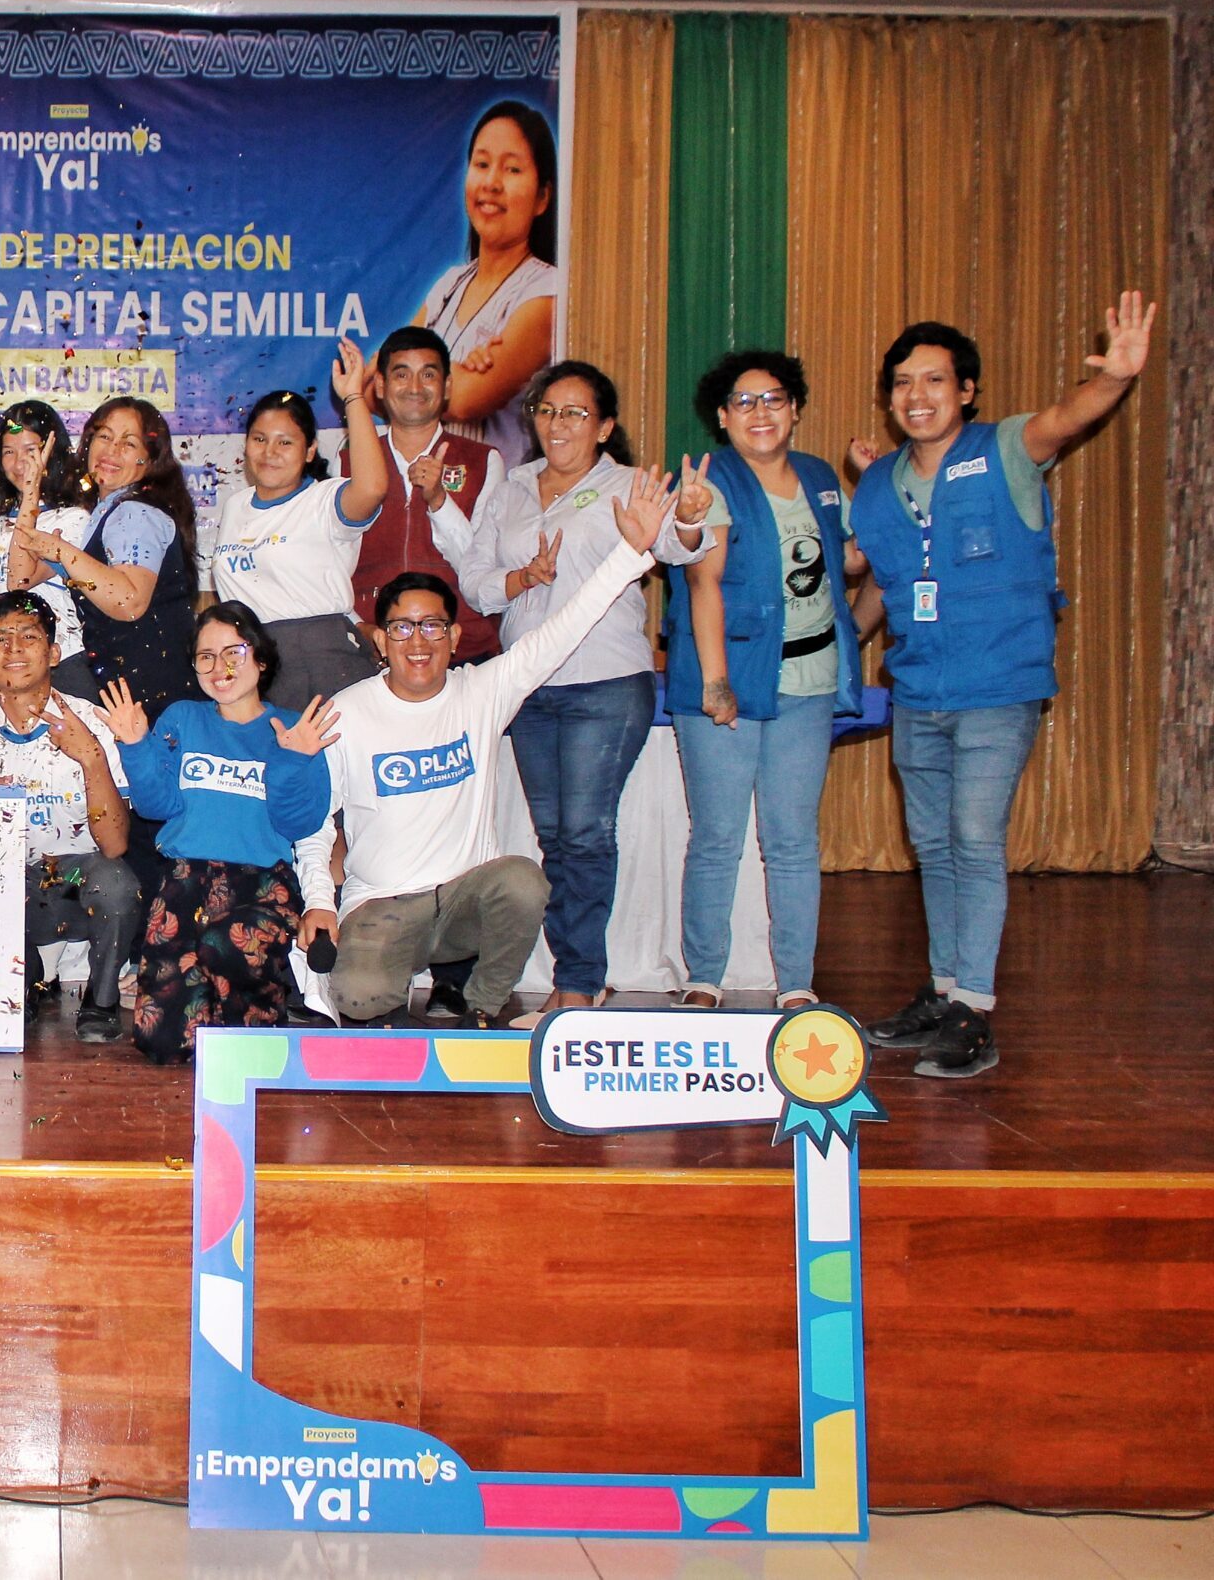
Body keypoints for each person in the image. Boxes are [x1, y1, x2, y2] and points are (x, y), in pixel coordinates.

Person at [847, 294, 1155, 1080]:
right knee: (936, 847)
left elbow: (1067, 415)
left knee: (976, 840)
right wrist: (840, 648)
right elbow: (881, 581)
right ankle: (946, 988)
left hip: (999, 685)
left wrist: (1116, 379)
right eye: (904, 384)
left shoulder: (1009, 447)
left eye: (935, 381)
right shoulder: (877, 484)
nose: (918, 396)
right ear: (889, 400)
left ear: (967, 392)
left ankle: (975, 1012)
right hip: (918, 690)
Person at [296, 468, 681, 1028]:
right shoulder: (345, 712)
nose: (419, 641)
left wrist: (629, 552)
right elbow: (314, 824)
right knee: (357, 1000)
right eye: (402, 628)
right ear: (379, 641)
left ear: (455, 638)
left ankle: (480, 1005)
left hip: (462, 905)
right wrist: (319, 903)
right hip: (381, 903)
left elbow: (563, 629)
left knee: (523, 882)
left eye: (433, 626)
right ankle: (388, 973)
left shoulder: (483, 690)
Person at [444, 362, 711, 1009]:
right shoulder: (511, 488)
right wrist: (521, 579)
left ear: (605, 426)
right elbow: (475, 580)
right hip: (528, 686)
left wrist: (691, 521)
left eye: (576, 413)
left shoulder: (627, 483)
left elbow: (679, 550)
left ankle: (578, 982)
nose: (558, 424)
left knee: (586, 832)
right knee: (555, 836)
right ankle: (580, 971)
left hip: (606, 683)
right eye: (547, 411)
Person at [665, 351, 868, 1012]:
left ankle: (797, 983)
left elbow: (848, 564)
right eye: (744, 403)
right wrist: (719, 684)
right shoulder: (710, 481)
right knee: (718, 835)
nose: (761, 413)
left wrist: (869, 490)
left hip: (807, 681)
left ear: (797, 408)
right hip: (729, 677)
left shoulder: (817, 477)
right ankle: (704, 977)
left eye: (774, 399)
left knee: (792, 839)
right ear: (723, 418)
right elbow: (704, 582)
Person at [98, 606, 340, 1063]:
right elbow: (157, 806)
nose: (220, 667)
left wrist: (293, 761)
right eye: (205, 656)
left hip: (261, 883)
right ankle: (209, 1023)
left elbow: (300, 823)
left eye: (233, 652)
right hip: (185, 880)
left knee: (226, 945)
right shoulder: (182, 718)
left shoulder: (293, 729)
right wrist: (135, 745)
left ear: (261, 659)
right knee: (161, 1043)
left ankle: (263, 1020)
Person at [0, 591, 139, 1042]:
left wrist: (91, 757)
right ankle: (23, 987)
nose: (14, 649)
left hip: (77, 883)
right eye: (0, 639)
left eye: (28, 637)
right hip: (9, 892)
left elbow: (114, 846)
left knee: (116, 880)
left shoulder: (94, 721)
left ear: (52, 652)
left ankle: (102, 1002)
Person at [18, 396, 202, 725]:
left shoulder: (136, 512)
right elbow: (21, 578)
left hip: (160, 698)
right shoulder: (102, 515)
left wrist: (62, 552)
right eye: (104, 436)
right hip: (130, 697)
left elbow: (129, 601)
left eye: (128, 443)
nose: (112, 450)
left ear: (150, 459)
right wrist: (31, 489)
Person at [208, 384, 388, 712]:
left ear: (309, 450)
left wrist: (354, 397)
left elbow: (373, 487)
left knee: (333, 761)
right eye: (259, 439)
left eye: (285, 442)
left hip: (318, 659)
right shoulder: (236, 506)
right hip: (251, 660)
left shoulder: (323, 501)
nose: (269, 451)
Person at [405, 100, 561, 469]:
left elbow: (467, 400)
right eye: (482, 164)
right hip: (429, 494)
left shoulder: (547, 292)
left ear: (542, 197)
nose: (491, 183)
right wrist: (456, 371)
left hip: (498, 507)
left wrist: (417, 377)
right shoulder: (450, 284)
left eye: (512, 169)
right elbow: (374, 380)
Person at [345, 325, 503, 664]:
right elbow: (331, 566)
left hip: (463, 650)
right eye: (402, 375)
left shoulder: (483, 461)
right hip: (373, 649)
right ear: (382, 386)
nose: (415, 388)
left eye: (427, 375)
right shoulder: (349, 460)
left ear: (446, 387)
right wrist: (360, 626)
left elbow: (483, 569)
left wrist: (439, 502)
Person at [0, 400, 93, 698]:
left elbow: (20, 582)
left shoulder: (72, 518)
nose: (19, 463)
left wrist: (31, 493)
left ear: (53, 452)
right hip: (3, 666)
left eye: (31, 451)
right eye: (9, 452)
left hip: (59, 665)